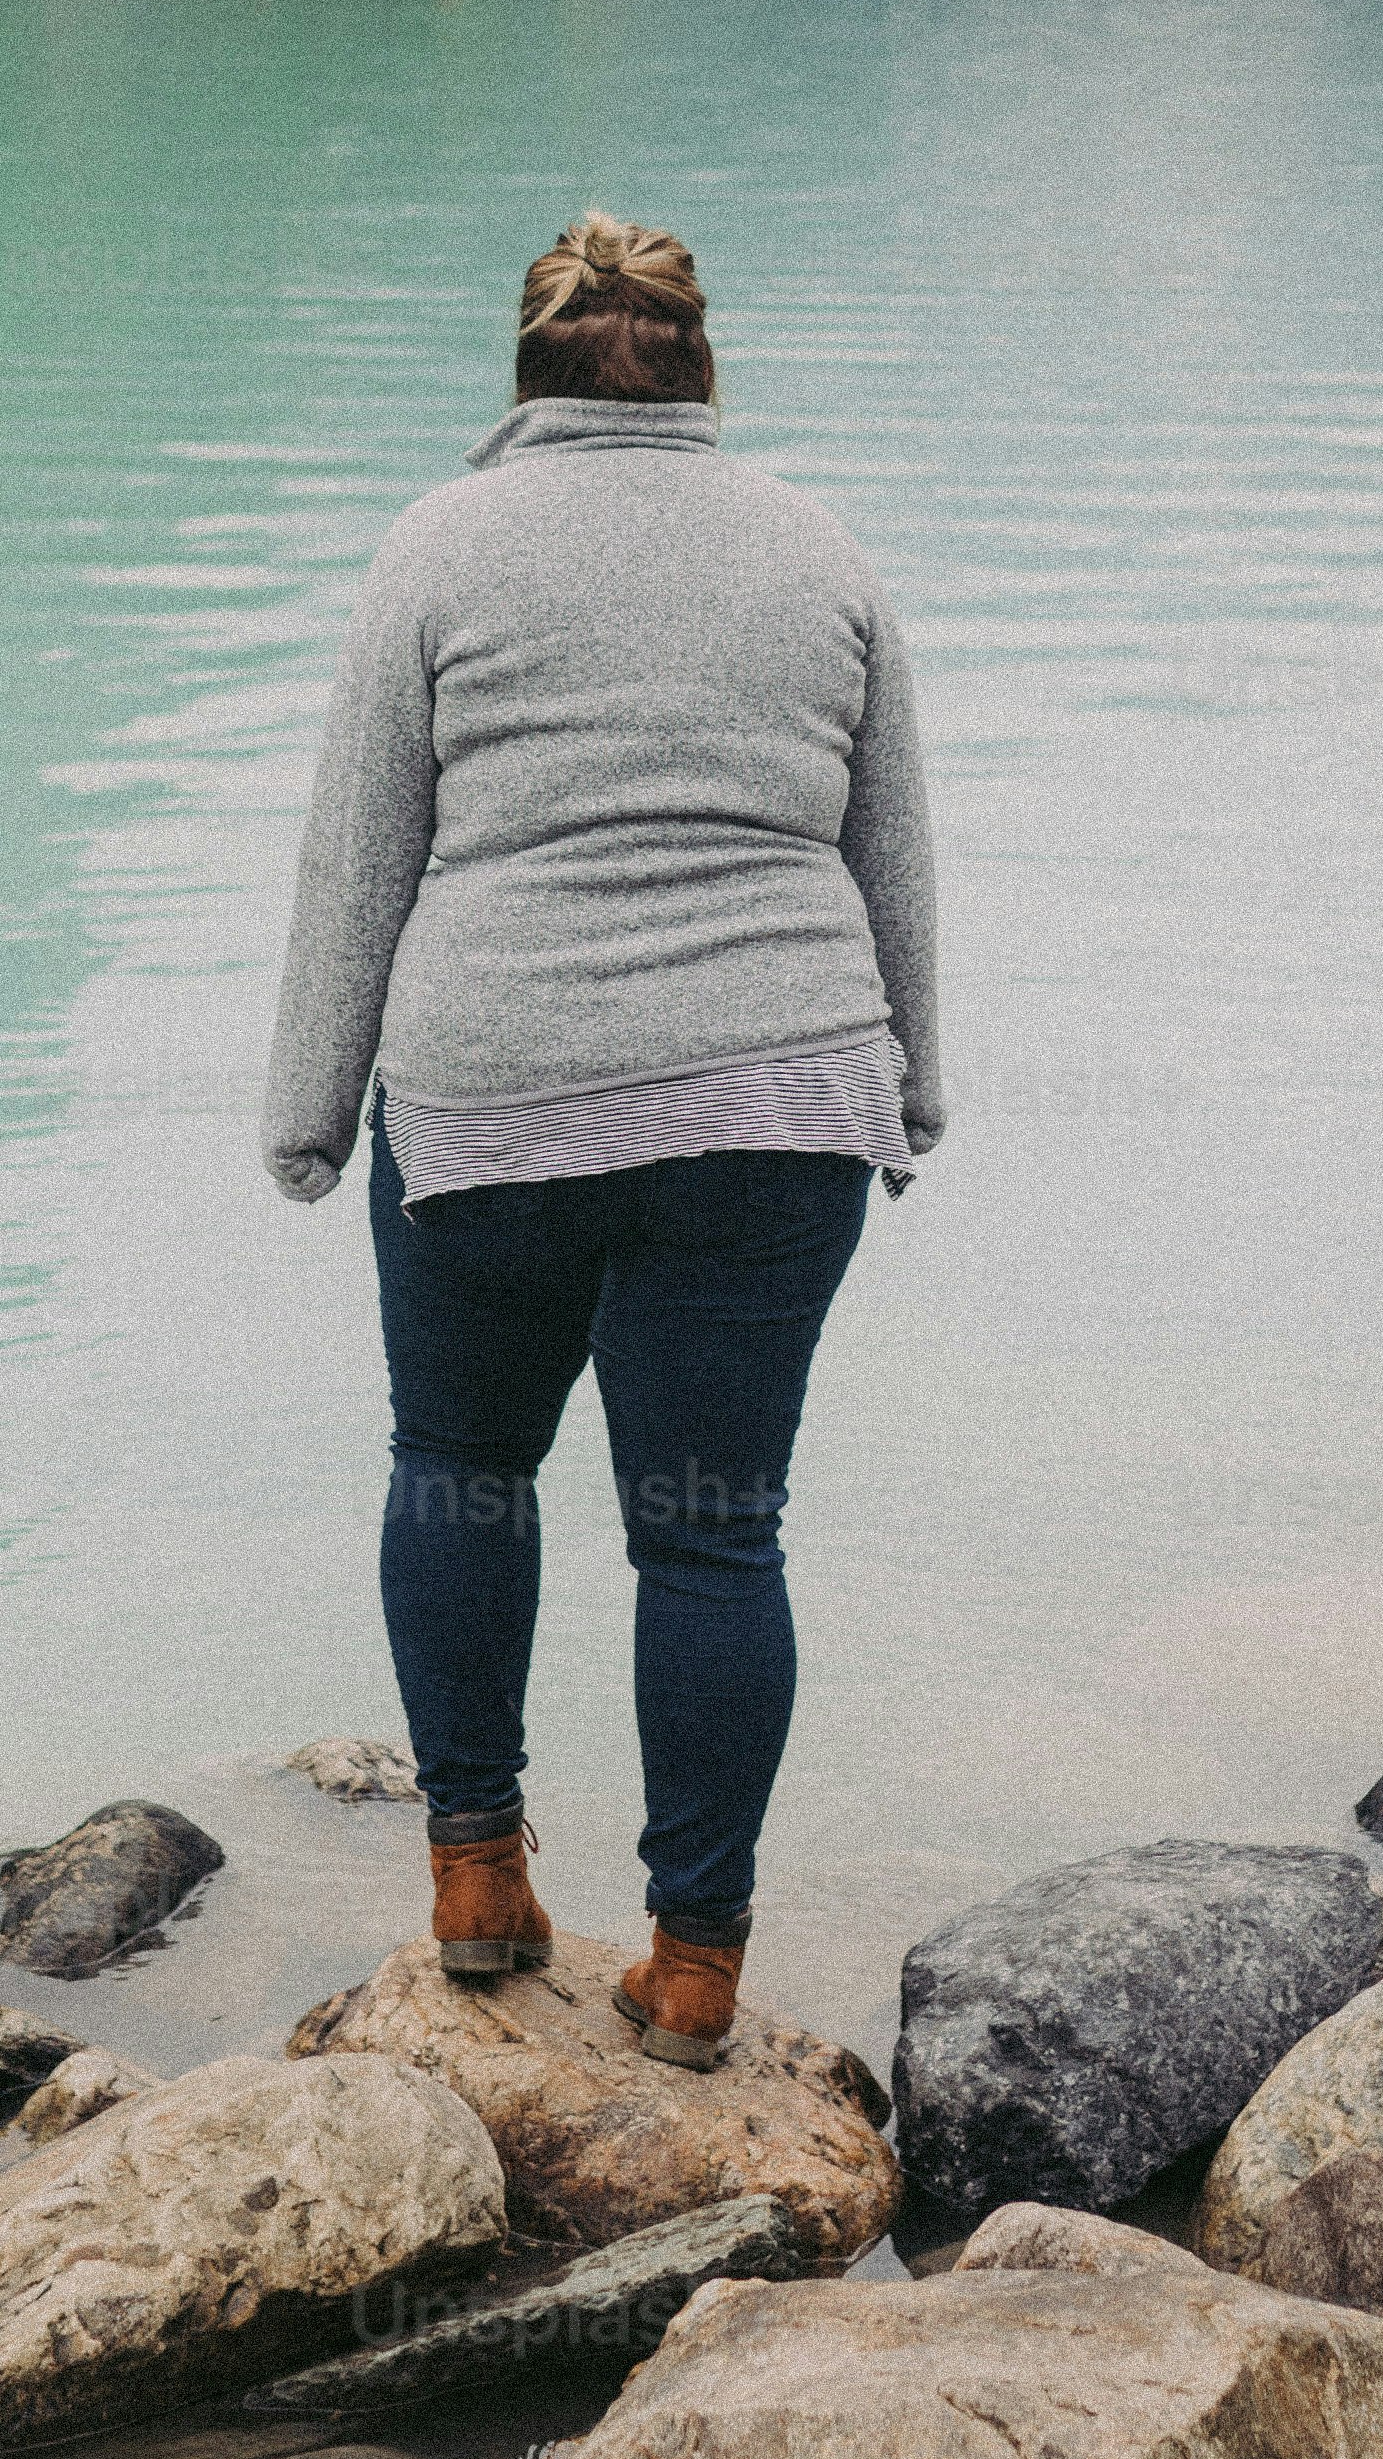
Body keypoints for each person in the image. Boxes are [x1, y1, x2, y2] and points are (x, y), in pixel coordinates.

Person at [262, 211, 942, 2066]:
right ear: (700, 370)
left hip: (495, 1099)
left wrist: (311, 1118)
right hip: (781, 1098)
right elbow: (889, 848)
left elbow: (357, 858)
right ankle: (698, 1966)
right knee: (715, 1542)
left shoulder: (439, 545)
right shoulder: (819, 548)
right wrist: (916, 1086)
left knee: (462, 1462)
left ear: (528, 375)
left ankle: (477, 1876)